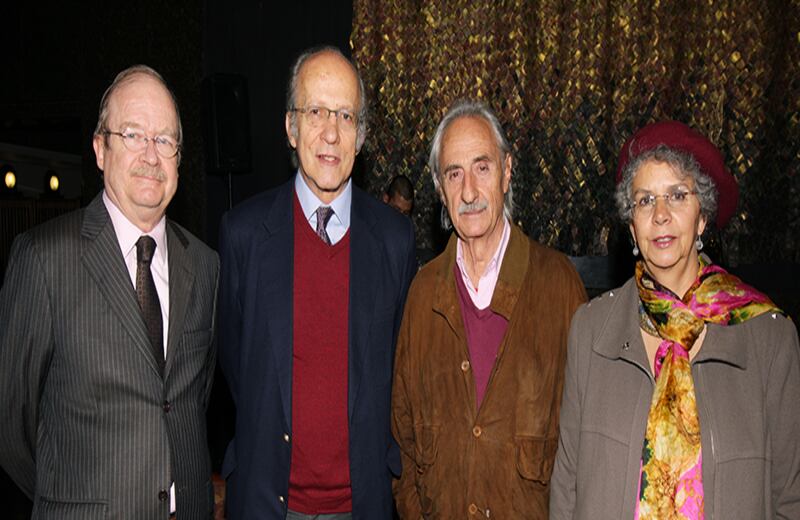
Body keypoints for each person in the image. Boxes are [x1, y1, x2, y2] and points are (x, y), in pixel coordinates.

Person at [550, 120, 800, 519]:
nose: (661, 215)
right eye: (645, 200)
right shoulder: (591, 330)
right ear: (632, 226)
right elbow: (567, 484)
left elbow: (791, 495)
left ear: (702, 218)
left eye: (677, 196)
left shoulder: (767, 336)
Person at [0, 65, 220, 518]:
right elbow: (10, 425)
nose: (150, 155)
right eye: (133, 135)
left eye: (165, 140)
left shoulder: (204, 264)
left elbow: (191, 400)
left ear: (179, 157)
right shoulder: (43, 258)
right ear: (100, 149)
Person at [218, 46, 416, 519]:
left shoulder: (395, 238)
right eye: (315, 112)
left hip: (362, 504)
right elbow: (233, 361)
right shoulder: (242, 234)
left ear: (361, 135)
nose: (330, 132)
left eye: (346, 116)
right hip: (267, 503)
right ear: (291, 127)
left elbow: (400, 367)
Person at [391, 100, 587, 518]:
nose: (468, 192)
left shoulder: (558, 285)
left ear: (507, 172)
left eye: (482, 167)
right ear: (440, 189)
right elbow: (403, 438)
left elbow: (587, 439)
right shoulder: (423, 294)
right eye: (453, 173)